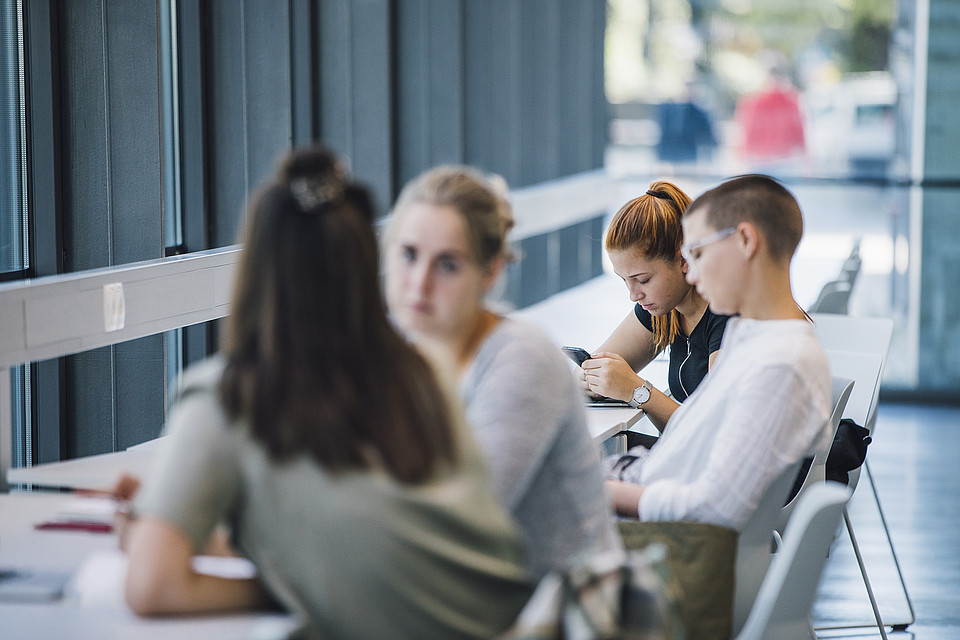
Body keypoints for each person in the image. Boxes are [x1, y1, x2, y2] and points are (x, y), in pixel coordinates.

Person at [123, 146, 534, 639]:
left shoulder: (226, 397)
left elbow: (151, 585)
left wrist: (284, 586)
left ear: (255, 270)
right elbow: (368, 531)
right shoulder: (420, 377)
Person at [384, 165, 621, 581]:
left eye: (448, 265)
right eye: (408, 255)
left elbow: (463, 520)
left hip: (560, 615)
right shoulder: (404, 354)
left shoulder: (521, 359)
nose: (418, 285)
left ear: (490, 271)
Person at [604, 174, 832, 532]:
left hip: (680, 553)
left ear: (744, 241)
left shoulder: (779, 364)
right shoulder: (754, 340)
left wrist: (601, 494)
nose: (691, 274)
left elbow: (712, 508)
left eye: (696, 253)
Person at [581, 181, 731, 434]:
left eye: (643, 280)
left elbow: (714, 436)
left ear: (684, 258)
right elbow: (588, 375)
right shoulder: (663, 307)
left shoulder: (727, 313)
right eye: (625, 281)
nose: (634, 295)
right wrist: (594, 378)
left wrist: (638, 391)